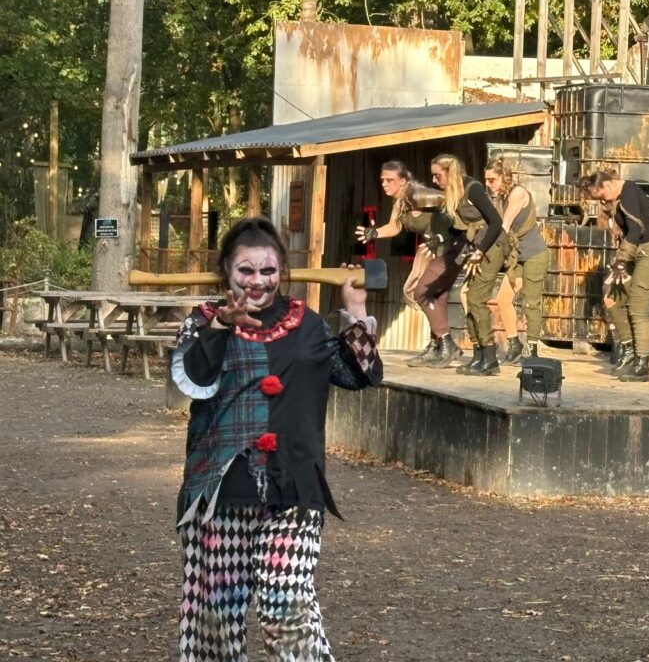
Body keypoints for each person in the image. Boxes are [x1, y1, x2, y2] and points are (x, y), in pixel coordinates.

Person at [171, 216, 383, 661]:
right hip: (222, 492)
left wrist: (358, 313)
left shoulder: (305, 323)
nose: (257, 282)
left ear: (282, 271)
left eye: (268, 271)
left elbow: (358, 375)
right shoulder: (203, 322)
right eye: (246, 271)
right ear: (226, 270)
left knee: (285, 605)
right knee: (219, 617)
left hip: (294, 488)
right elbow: (192, 381)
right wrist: (219, 329)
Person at [413, 154, 506, 374]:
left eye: (438, 175)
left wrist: (480, 251)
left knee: (475, 298)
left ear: (450, 172)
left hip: (491, 245)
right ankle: (480, 356)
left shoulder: (472, 188)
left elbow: (496, 222)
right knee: (468, 297)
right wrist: (440, 239)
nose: (435, 181)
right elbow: (460, 229)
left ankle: (489, 358)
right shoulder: (454, 193)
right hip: (473, 245)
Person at [579, 171, 649, 383]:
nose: (602, 201)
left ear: (609, 183)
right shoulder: (619, 197)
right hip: (636, 256)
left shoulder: (629, 191)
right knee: (612, 297)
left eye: (602, 196)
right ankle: (628, 349)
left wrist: (620, 262)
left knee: (638, 309)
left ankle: (642, 364)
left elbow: (636, 230)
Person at [354, 160, 450, 367]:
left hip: (447, 247)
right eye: (383, 180)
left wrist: (442, 235)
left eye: (390, 180)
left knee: (423, 291)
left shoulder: (417, 194)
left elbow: (452, 204)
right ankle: (438, 344)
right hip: (430, 249)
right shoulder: (401, 202)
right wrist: (375, 232)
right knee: (428, 294)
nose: (385, 184)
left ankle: (445, 343)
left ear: (404, 181)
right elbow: (395, 227)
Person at [483, 157, 547, 363]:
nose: (488, 184)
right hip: (516, 258)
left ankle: (532, 348)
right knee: (502, 299)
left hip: (534, 254)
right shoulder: (498, 197)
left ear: (504, 177)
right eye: (486, 180)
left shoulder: (517, 193)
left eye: (492, 179)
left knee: (532, 302)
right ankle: (514, 343)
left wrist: (484, 251)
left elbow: (504, 225)